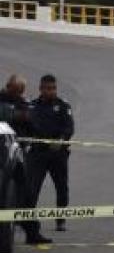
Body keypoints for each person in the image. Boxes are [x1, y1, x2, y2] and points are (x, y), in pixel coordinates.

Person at [0, 75, 51, 245]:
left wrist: (22, 116)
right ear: (8, 87)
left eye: (21, 91)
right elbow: (7, 115)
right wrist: (15, 115)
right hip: (3, 152)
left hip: (19, 154)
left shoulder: (26, 103)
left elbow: (33, 121)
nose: (19, 94)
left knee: (26, 194)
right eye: (15, 90)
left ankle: (32, 232)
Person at [28, 74, 74, 232]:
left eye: (53, 88)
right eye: (47, 88)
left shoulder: (63, 106)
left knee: (61, 188)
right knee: (32, 189)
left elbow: (69, 127)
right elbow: (28, 127)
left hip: (57, 154)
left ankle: (60, 220)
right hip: (37, 153)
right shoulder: (32, 106)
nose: (51, 91)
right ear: (40, 89)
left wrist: (61, 139)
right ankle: (28, 220)